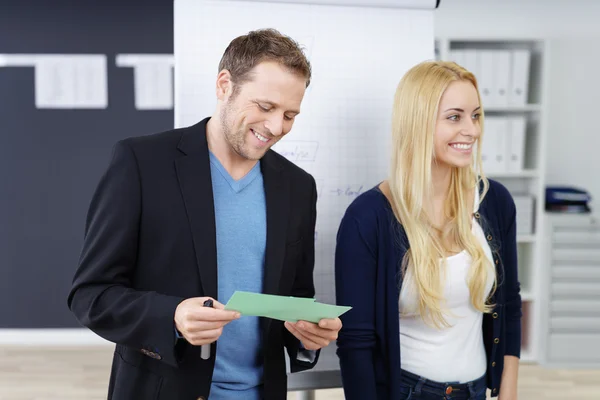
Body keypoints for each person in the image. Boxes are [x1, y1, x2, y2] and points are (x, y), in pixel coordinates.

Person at [67, 28, 342, 400]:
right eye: (265, 107)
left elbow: (295, 298)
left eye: (290, 115)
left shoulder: (297, 186)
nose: (277, 127)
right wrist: (173, 316)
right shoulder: (142, 163)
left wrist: (309, 334)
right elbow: (91, 295)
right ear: (224, 85)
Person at [334, 60, 521, 400]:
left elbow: (509, 303)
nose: (472, 130)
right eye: (455, 117)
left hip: (477, 391)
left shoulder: (495, 201)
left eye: (475, 115)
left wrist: (508, 391)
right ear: (418, 123)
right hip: (406, 391)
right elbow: (356, 343)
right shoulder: (368, 217)